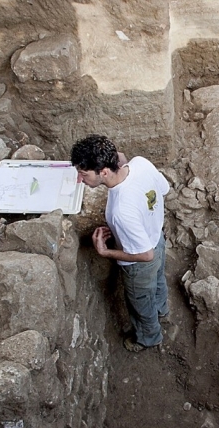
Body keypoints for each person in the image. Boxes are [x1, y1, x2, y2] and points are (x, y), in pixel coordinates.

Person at [70, 134, 170, 352]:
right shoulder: (141, 164)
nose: (80, 179)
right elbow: (164, 189)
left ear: (103, 172)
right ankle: (162, 309)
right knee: (159, 280)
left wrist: (105, 252)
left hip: (139, 264)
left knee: (140, 305)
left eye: (83, 173)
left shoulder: (120, 210)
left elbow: (145, 256)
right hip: (157, 239)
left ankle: (148, 337)